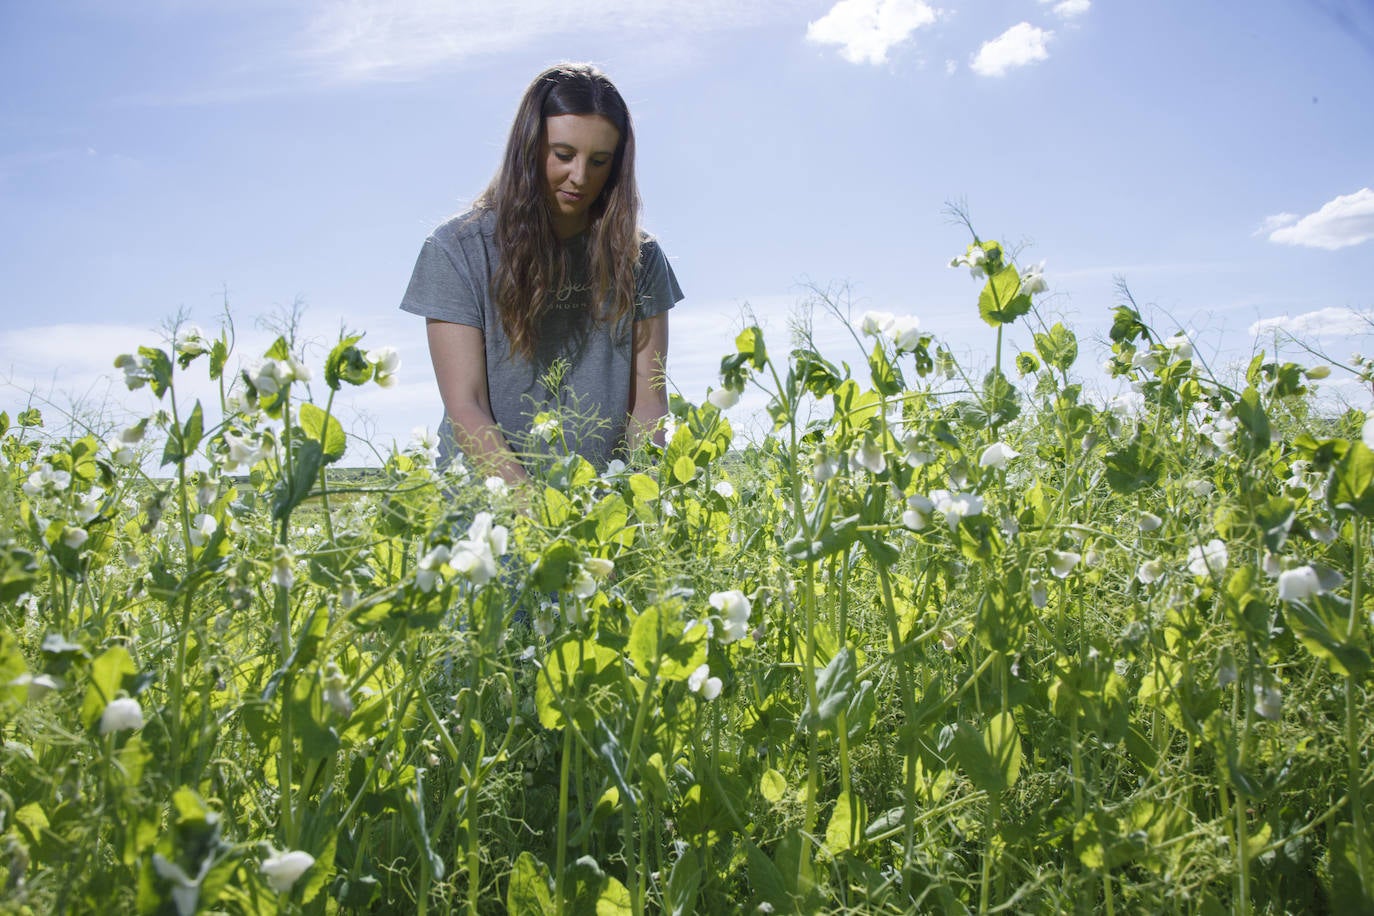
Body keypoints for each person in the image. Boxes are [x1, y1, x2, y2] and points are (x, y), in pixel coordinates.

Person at [400, 63, 683, 487]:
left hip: (599, 508)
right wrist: (531, 511)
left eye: (600, 160)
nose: (580, 176)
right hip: (487, 509)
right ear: (529, 149)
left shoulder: (639, 258)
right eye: (564, 155)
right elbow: (467, 405)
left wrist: (643, 503)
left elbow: (648, 406)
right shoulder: (458, 249)